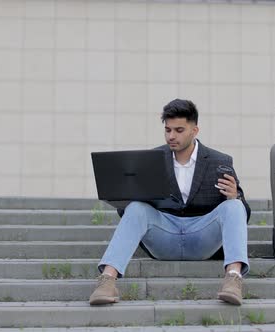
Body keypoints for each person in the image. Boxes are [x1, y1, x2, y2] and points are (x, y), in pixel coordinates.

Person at [89, 99, 251, 306]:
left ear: (195, 130)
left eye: (179, 130)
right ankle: (107, 281)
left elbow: (244, 213)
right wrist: (129, 196)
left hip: (202, 237)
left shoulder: (219, 161)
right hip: (164, 236)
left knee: (234, 206)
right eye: (168, 130)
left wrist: (234, 196)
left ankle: (234, 278)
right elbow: (129, 212)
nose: (171, 136)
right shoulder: (152, 159)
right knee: (137, 208)